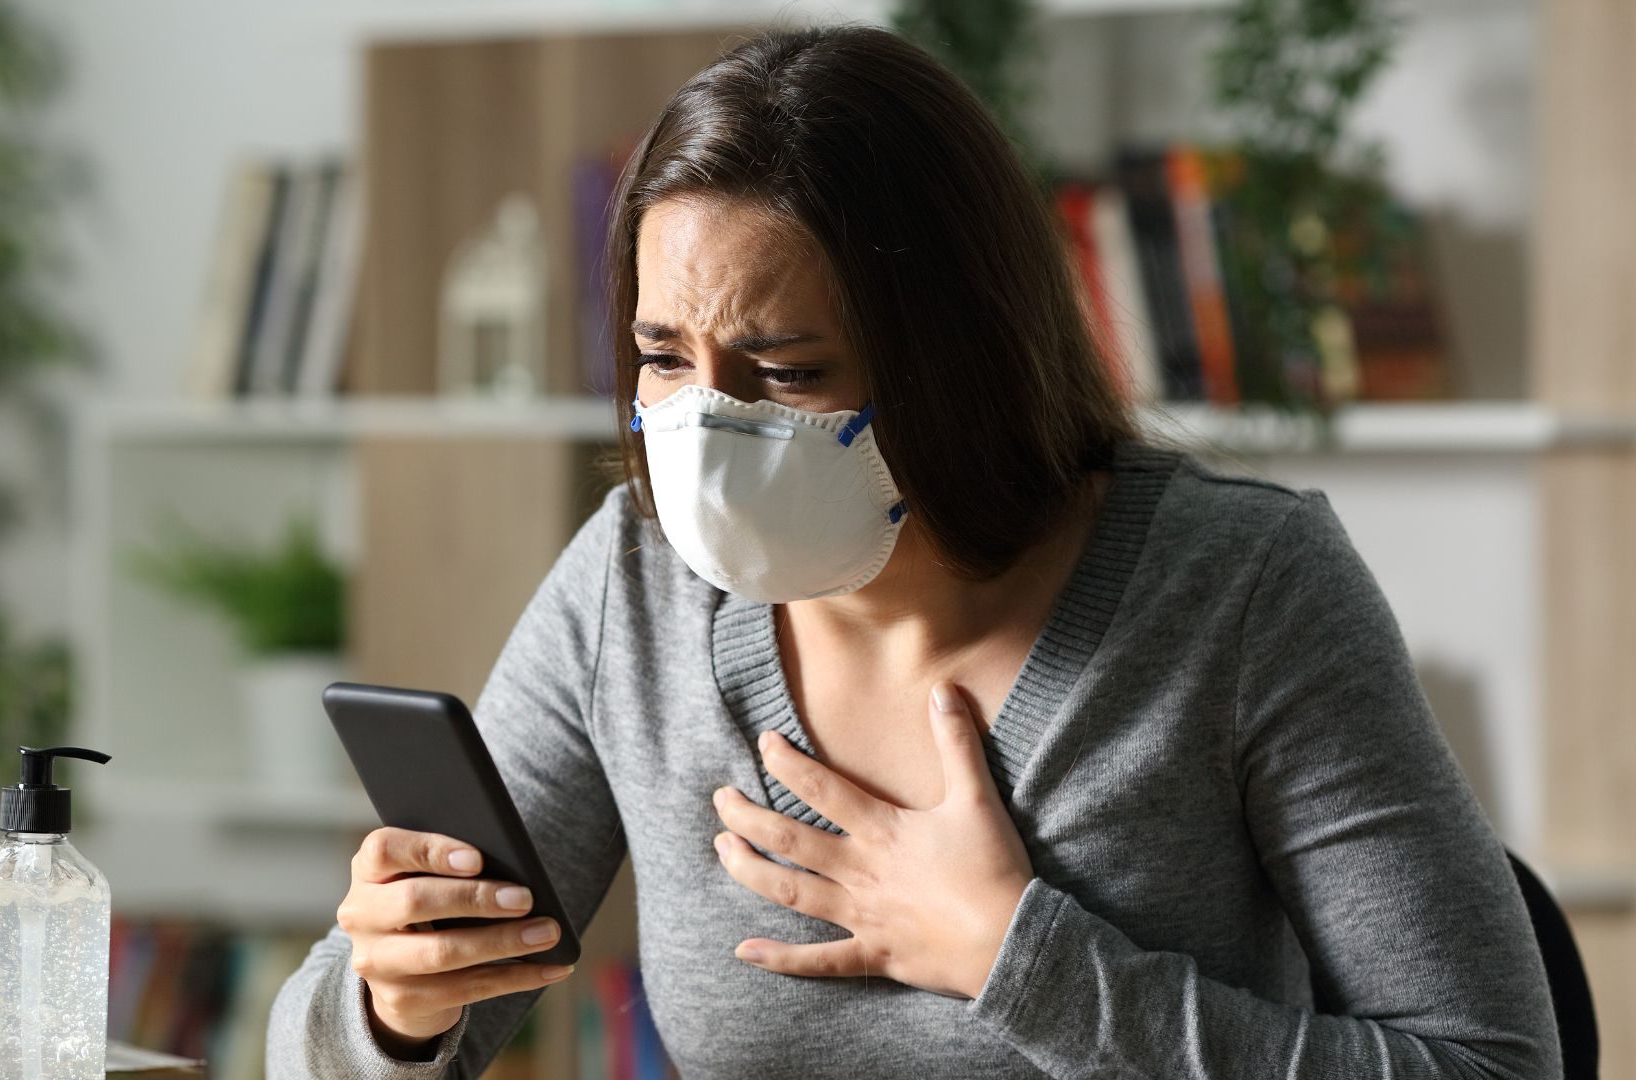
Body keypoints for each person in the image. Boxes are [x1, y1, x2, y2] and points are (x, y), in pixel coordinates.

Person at [267, 23, 1559, 1079]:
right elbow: (314, 1052)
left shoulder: (1240, 589)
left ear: (955, 358)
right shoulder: (631, 581)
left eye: (786, 372)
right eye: (665, 358)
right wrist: (396, 1006)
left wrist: (1020, 958)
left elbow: (1494, 1066)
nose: (705, 429)